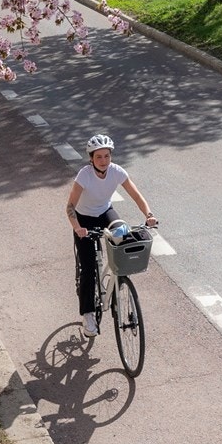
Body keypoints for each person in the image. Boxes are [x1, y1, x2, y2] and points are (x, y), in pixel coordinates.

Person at [66, 132, 158, 338]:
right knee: (88, 268)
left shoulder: (116, 171)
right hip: (83, 219)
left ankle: (118, 280)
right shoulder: (84, 176)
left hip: (105, 213)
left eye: (107, 156)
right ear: (91, 158)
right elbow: (70, 206)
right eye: (98, 156)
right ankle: (88, 315)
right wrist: (77, 227)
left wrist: (149, 215)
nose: (103, 160)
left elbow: (136, 195)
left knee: (123, 232)